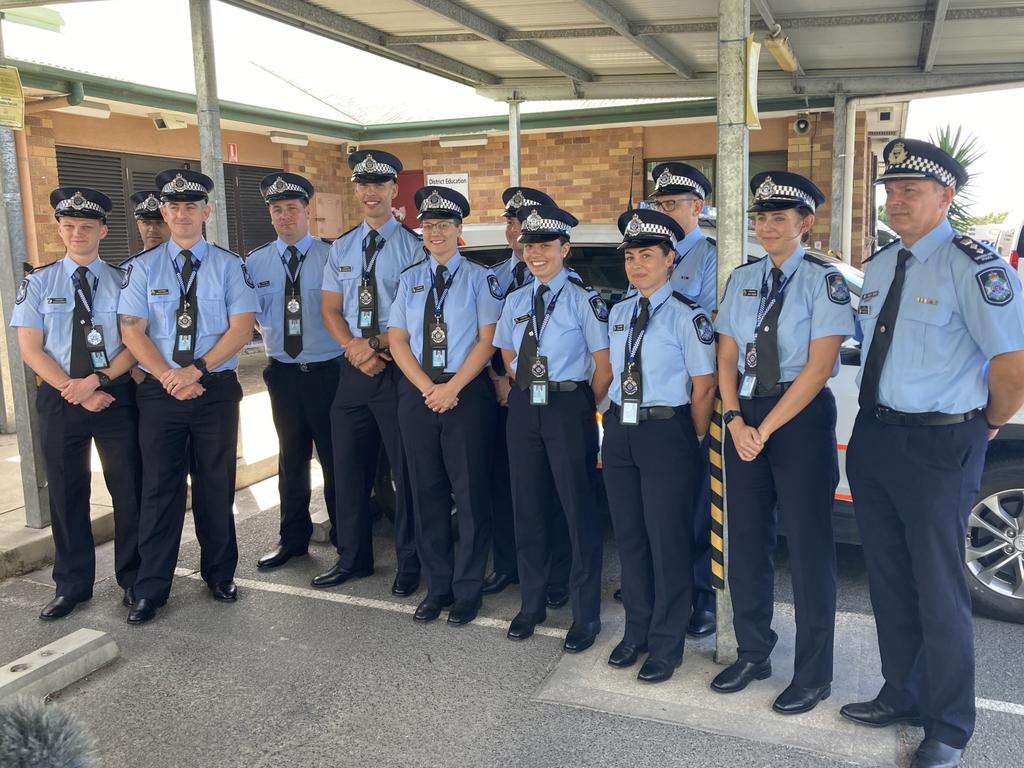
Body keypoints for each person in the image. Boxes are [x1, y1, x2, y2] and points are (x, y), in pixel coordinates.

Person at [842, 139, 1024, 768]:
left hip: (941, 441)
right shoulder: (881, 265)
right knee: (889, 576)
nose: (896, 201)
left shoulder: (975, 266)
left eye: (911, 191)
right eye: (890, 191)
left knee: (939, 585)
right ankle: (903, 692)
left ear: (946, 197)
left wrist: (989, 423)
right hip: (877, 438)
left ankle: (949, 724)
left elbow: (1012, 362)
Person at [711, 171, 854, 715]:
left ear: (805, 224)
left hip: (797, 419)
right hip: (743, 415)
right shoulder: (742, 279)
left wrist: (763, 430)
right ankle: (754, 650)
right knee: (746, 539)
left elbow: (819, 369)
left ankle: (814, 673)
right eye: (761, 217)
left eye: (779, 217)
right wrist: (733, 420)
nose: (766, 226)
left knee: (812, 547)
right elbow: (725, 356)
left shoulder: (825, 281)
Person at [118, 168, 257, 624]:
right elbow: (132, 329)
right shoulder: (141, 268)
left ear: (206, 212)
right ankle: (151, 587)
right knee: (160, 489)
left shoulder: (229, 265)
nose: (181, 214)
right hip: (161, 393)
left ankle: (219, 574)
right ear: (163, 211)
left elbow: (240, 329)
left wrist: (196, 370)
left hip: (214, 389)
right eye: (173, 207)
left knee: (216, 484)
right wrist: (168, 376)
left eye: (190, 206)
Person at [10, 187, 142, 620]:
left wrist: (97, 382)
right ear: (60, 229)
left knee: (128, 490)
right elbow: (30, 348)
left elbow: (134, 343)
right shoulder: (38, 281)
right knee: (67, 495)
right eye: (69, 226)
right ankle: (71, 585)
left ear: (103, 230)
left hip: (113, 396)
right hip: (61, 398)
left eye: (86, 227)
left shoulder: (125, 280)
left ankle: (133, 578)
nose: (77, 234)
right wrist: (74, 388)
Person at [602, 208, 716, 682]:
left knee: (667, 541)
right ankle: (637, 632)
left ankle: (667, 646)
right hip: (621, 431)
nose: (636, 265)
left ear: (671, 259)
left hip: (667, 431)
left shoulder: (688, 317)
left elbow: (704, 386)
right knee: (630, 538)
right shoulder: (619, 311)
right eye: (630, 256)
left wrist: (686, 437)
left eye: (647, 255)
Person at [493, 204, 611, 653]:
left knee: (577, 511)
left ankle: (585, 614)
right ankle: (533, 601)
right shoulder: (518, 299)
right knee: (528, 506)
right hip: (525, 405)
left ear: (565, 248)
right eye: (529, 246)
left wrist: (582, 403)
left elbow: (603, 368)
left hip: (567, 405)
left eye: (545, 245)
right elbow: (506, 353)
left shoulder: (585, 300)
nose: (536, 253)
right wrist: (523, 385)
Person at [388, 186, 502, 625]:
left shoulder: (480, 278)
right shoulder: (410, 279)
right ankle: (438, 588)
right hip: (419, 394)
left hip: (466, 393)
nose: (435, 232)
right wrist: (425, 387)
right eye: (429, 226)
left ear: (460, 231)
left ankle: (468, 590)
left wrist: (452, 387)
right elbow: (398, 340)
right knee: (426, 493)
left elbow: (487, 339)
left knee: (470, 494)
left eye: (444, 226)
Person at [319, 150, 422, 596]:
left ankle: (411, 562)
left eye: (379, 185)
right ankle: (353, 559)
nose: (371, 192)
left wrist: (375, 346)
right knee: (348, 471)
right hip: (353, 372)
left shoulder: (415, 247)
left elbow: (416, 315)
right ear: (356, 190)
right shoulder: (341, 246)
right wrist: (354, 349)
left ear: (393, 190)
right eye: (363, 184)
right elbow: (330, 308)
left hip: (399, 372)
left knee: (405, 473)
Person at [479, 186, 571, 607]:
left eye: (526, 224)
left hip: (545, 399)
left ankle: (555, 574)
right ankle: (507, 564)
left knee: (549, 490)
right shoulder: (494, 276)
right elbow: (494, 340)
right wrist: (501, 380)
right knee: (504, 485)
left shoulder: (570, 286)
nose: (518, 231)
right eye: (513, 223)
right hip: (502, 395)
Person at [246, 173, 342, 570]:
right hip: (284, 373)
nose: (284, 217)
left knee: (337, 460)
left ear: (308, 211)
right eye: (276, 210)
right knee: (292, 459)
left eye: (291, 209)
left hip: (329, 372)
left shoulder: (333, 255)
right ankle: (293, 540)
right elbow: (250, 317)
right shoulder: (255, 261)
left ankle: (346, 537)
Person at [649, 161, 719, 637]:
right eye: (660, 204)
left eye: (674, 204)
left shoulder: (712, 257)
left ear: (698, 207)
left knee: (696, 506)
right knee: (653, 504)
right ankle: (660, 585)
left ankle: (701, 597)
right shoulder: (648, 253)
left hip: (695, 398)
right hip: (650, 400)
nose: (667, 212)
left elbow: (710, 329)